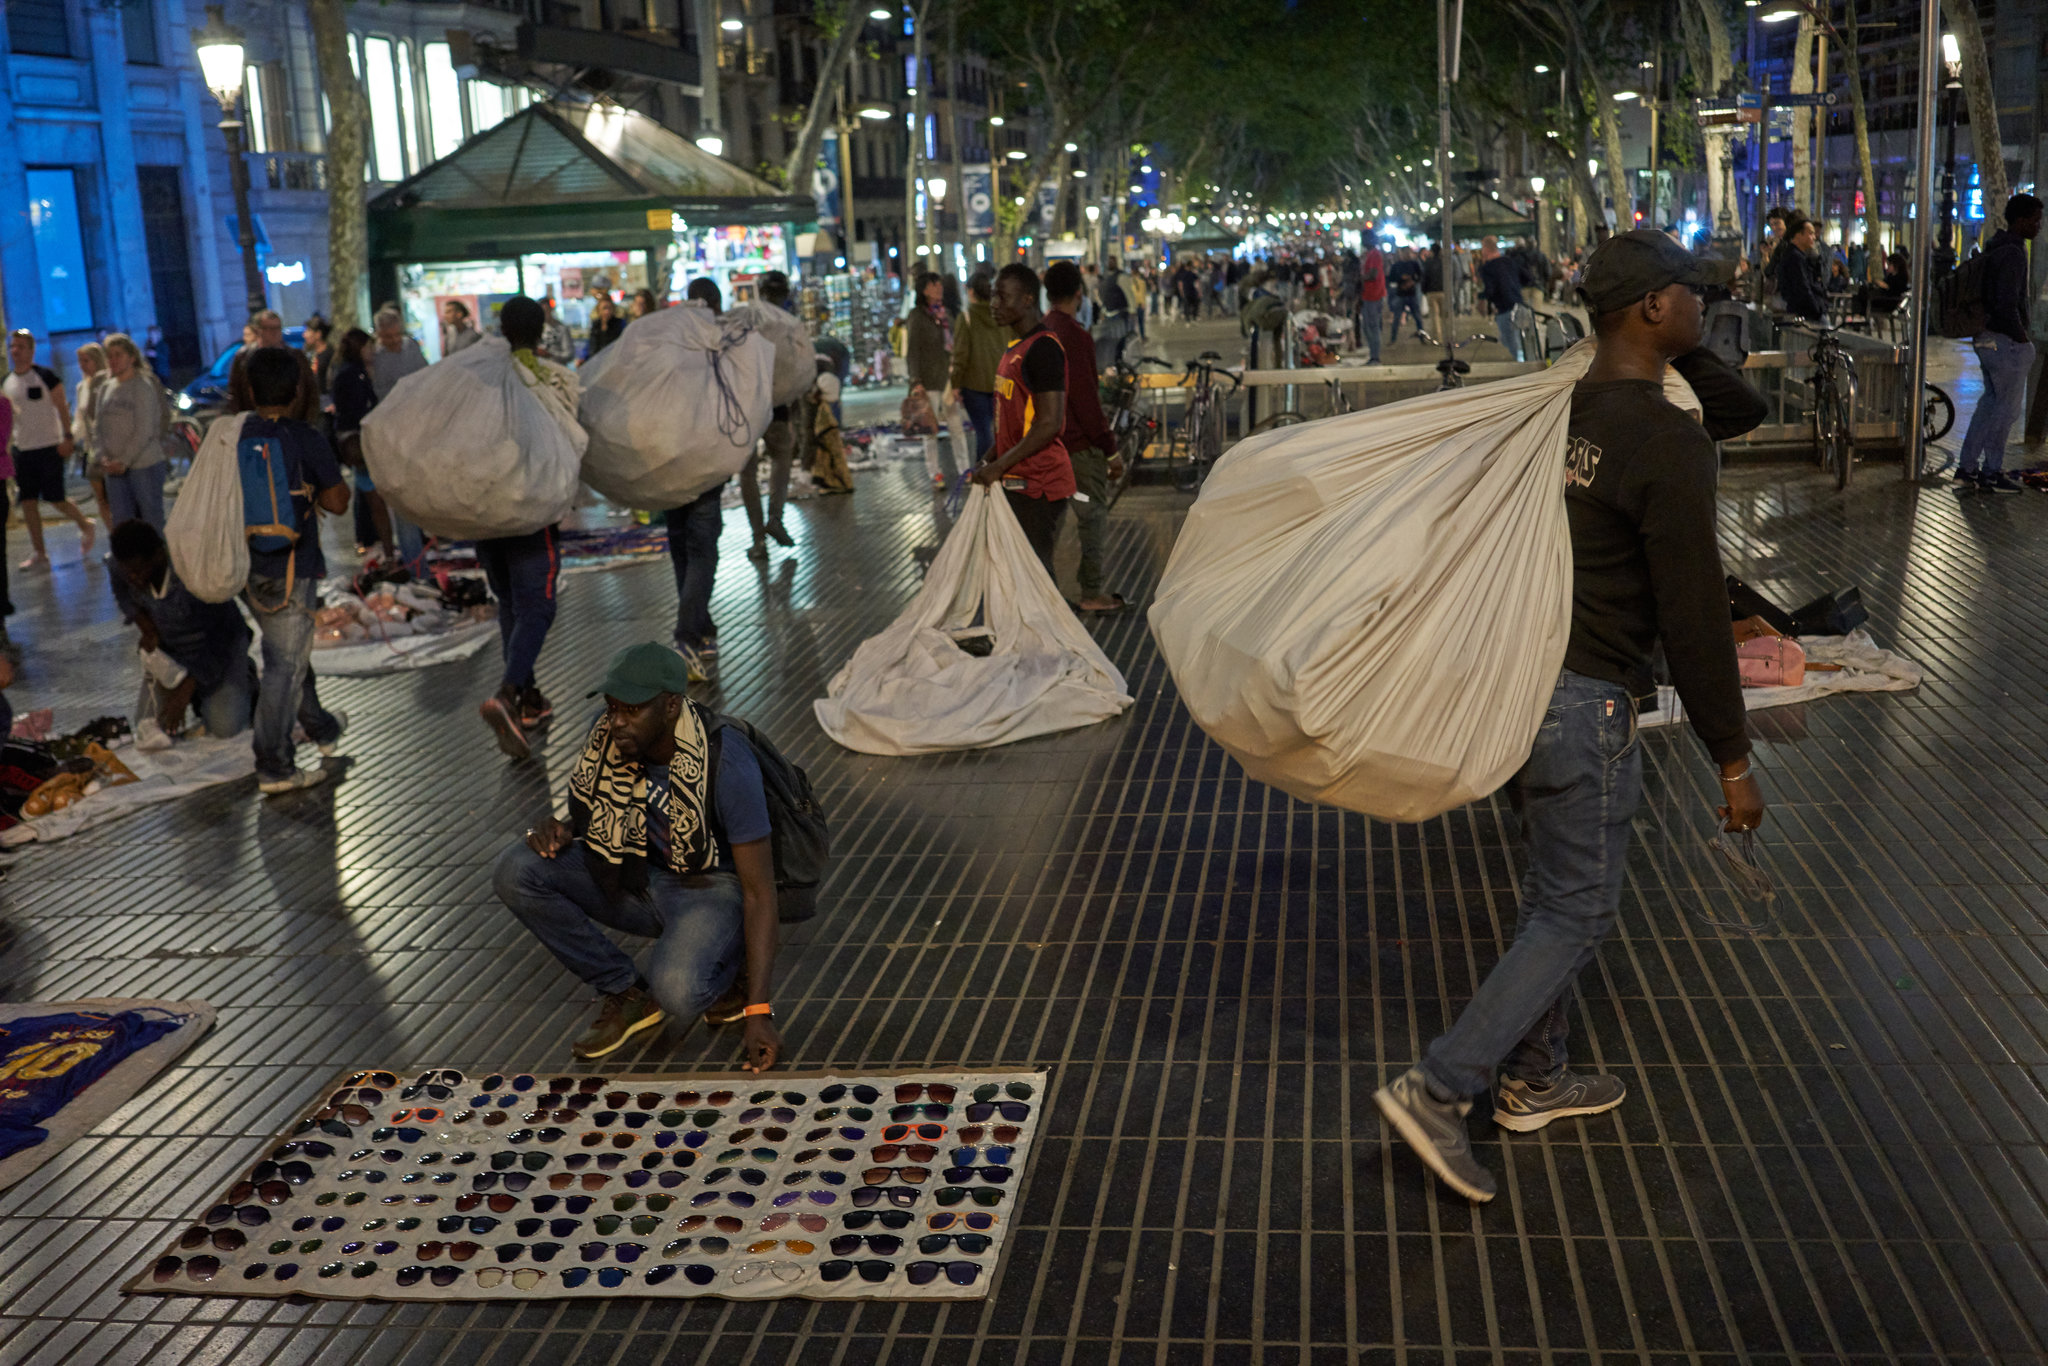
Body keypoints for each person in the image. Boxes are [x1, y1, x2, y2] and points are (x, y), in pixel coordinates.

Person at [1373, 230, 1768, 1202]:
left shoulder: (1556, 407)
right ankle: (1439, 1086)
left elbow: (1735, 404)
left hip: (1518, 684)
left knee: (1548, 896)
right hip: (1584, 700)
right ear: (1646, 309)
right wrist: (1730, 756)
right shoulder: (1663, 440)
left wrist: (1672, 330)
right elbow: (1687, 612)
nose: (1702, 307)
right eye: (1688, 295)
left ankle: (1533, 1079)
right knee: (1576, 909)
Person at [493, 642, 787, 1067]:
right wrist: (564, 829)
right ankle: (626, 992)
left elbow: (761, 891)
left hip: (710, 886)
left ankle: (732, 974)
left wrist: (760, 1012)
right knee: (516, 869)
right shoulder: (610, 736)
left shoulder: (726, 760)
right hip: (634, 870)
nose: (615, 722)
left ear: (670, 706)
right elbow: (601, 808)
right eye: (612, 707)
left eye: (631, 710)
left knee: (680, 992)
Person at [237, 347, 351, 795]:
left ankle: (321, 729)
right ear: (299, 388)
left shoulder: (232, 434)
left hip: (245, 564)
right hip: (292, 564)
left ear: (249, 388)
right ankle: (275, 765)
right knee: (283, 666)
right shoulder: (305, 437)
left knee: (287, 654)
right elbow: (339, 502)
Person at [476, 297, 579, 758]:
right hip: (530, 512)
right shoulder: (549, 376)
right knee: (537, 607)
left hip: (484, 511)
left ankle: (530, 700)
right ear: (542, 332)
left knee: (511, 606)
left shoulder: (480, 378)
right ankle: (510, 691)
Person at [109, 519, 254, 747]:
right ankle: (199, 691)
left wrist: (185, 691)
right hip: (174, 652)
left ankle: (247, 678)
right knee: (148, 726)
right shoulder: (124, 568)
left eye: (138, 571)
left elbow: (219, 639)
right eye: (129, 574)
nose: (133, 579)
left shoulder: (192, 578)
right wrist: (145, 624)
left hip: (220, 648)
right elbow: (121, 588)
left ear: (158, 556)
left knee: (225, 728)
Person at [972, 263, 1072, 576]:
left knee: (1034, 576)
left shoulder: (1042, 348)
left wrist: (999, 465)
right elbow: (1015, 422)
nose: (994, 305)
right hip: (1018, 478)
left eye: (1003, 297)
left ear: (1028, 299)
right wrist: (991, 457)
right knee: (1020, 573)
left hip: (1039, 483)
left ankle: (1052, 626)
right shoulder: (1015, 347)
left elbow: (1048, 423)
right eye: (992, 297)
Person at [1043, 261, 1125, 614]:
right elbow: (1085, 398)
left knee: (1051, 522)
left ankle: (1042, 592)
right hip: (1078, 448)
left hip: (1046, 445)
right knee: (1091, 517)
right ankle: (1091, 590)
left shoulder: (1041, 331)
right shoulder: (1074, 336)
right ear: (1079, 292)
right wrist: (1109, 450)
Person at [1954, 194, 2044, 493]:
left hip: (1985, 338)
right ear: (2020, 221)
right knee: (2005, 412)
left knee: (1989, 405)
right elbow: (2007, 304)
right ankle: (1991, 472)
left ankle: (1967, 468)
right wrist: (2023, 339)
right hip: (2005, 343)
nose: (2038, 225)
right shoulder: (2015, 253)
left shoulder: (1996, 247)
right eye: (2034, 219)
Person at [4, 329, 93, 570]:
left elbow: (61, 407)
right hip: (24, 448)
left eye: (21, 347)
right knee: (29, 501)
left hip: (48, 446)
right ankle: (39, 551)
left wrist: (67, 437)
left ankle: (85, 523)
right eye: (13, 346)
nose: (15, 351)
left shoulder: (46, 376)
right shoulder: (8, 382)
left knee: (55, 498)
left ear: (31, 350)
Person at [738, 271, 803, 563]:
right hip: (777, 407)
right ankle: (775, 517)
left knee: (747, 471)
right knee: (781, 460)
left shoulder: (747, 319)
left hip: (747, 408)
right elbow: (799, 366)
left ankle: (758, 538)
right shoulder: (789, 323)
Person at [366, 307, 428, 566]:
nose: (391, 342)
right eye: (386, 337)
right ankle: (413, 559)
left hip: (416, 425)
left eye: (394, 336)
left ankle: (419, 550)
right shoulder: (373, 356)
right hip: (390, 430)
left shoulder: (411, 347)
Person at [92, 334, 173, 529]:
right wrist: (102, 457)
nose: (113, 360)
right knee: (122, 522)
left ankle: (159, 558)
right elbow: (99, 427)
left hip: (143, 464)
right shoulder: (105, 388)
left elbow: (145, 429)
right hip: (113, 467)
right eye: (110, 356)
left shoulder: (142, 386)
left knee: (151, 519)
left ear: (132, 358)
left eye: (118, 355)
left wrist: (125, 460)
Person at [330, 328, 387, 556]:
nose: (372, 352)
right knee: (369, 494)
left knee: (367, 491)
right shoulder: (351, 374)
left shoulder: (353, 371)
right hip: (357, 440)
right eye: (368, 347)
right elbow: (358, 408)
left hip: (355, 437)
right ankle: (372, 539)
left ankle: (369, 537)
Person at [904, 271, 955, 491]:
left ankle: (965, 469)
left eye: (939, 284)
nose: (938, 288)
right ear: (924, 290)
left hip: (949, 378)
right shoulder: (917, 316)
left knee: (957, 427)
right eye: (934, 285)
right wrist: (916, 380)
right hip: (929, 379)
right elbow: (913, 350)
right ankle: (934, 473)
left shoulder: (946, 314)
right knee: (929, 429)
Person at [948, 272, 1002, 462]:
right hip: (1001, 383)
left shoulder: (967, 317)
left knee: (983, 432)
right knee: (1000, 432)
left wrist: (955, 383)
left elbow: (961, 354)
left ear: (971, 292)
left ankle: (984, 474)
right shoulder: (1001, 314)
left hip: (974, 385)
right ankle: (1001, 471)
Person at [71, 342, 114, 536]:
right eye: (80, 361)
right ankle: (113, 538)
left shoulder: (107, 384)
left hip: (110, 448)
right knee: (101, 499)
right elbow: (80, 419)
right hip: (92, 449)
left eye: (86, 360)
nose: (82, 365)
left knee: (115, 497)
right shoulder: (81, 387)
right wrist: (70, 438)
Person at [1768, 213, 1827, 323]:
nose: (1814, 237)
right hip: (1806, 314)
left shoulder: (1799, 255)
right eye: (1810, 233)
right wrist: (1816, 311)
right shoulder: (1795, 258)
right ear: (1798, 235)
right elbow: (1802, 288)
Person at [807, 356, 853, 495]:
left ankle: (839, 482)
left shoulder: (824, 382)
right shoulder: (831, 380)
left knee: (831, 455)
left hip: (827, 427)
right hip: (830, 426)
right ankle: (834, 482)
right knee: (831, 455)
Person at [1478, 235, 1527, 361]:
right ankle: (1524, 362)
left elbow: (1490, 290)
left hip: (1504, 308)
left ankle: (1521, 366)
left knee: (1510, 342)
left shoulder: (1487, 268)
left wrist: (1481, 297)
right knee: (1520, 340)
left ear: (1486, 250)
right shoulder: (1509, 261)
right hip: (1519, 304)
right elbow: (1527, 277)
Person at [1357, 240, 1387, 364]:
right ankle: (1373, 355)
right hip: (1369, 295)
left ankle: (1375, 357)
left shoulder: (1374, 254)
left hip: (1373, 296)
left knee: (1372, 327)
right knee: (1367, 327)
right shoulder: (1370, 254)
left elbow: (1373, 274)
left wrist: (1360, 278)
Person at [1386, 247, 1425, 341]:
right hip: (1400, 294)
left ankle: (1422, 337)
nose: (1407, 255)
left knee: (1417, 317)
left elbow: (1420, 276)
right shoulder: (1397, 265)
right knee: (1397, 317)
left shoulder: (1414, 264)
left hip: (1411, 293)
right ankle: (1393, 338)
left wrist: (1412, 281)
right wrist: (1401, 279)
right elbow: (1391, 278)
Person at [586, 293, 625, 358]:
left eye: (609, 308)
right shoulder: (595, 325)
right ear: (599, 310)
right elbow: (590, 345)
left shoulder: (620, 323)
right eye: (604, 308)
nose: (607, 311)